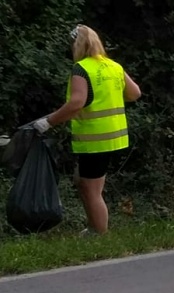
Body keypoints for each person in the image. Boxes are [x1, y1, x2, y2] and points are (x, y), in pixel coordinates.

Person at [29, 25, 142, 235]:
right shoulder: (113, 66)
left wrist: (47, 122)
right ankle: (94, 228)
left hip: (95, 139)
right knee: (83, 181)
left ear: (76, 45)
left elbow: (76, 103)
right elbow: (135, 93)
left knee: (91, 191)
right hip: (114, 137)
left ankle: (98, 234)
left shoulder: (81, 68)